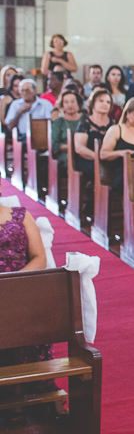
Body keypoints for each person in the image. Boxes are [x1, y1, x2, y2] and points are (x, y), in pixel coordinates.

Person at [0, 199, 51, 400]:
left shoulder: (21, 215)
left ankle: (21, 393)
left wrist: (12, 283)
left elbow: (39, 257)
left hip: (20, 294)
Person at [74, 89, 115, 180]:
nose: (105, 104)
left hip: (110, 159)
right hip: (89, 159)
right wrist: (97, 157)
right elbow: (79, 147)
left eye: (108, 102)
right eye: (101, 101)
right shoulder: (85, 123)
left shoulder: (115, 124)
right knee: (98, 169)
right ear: (92, 103)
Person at [50, 89, 84, 181]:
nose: (70, 105)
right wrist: (72, 146)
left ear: (78, 103)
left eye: (73, 101)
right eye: (66, 102)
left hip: (85, 151)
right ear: (62, 106)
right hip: (66, 153)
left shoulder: (85, 119)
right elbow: (55, 145)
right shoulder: (59, 122)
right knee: (72, 160)